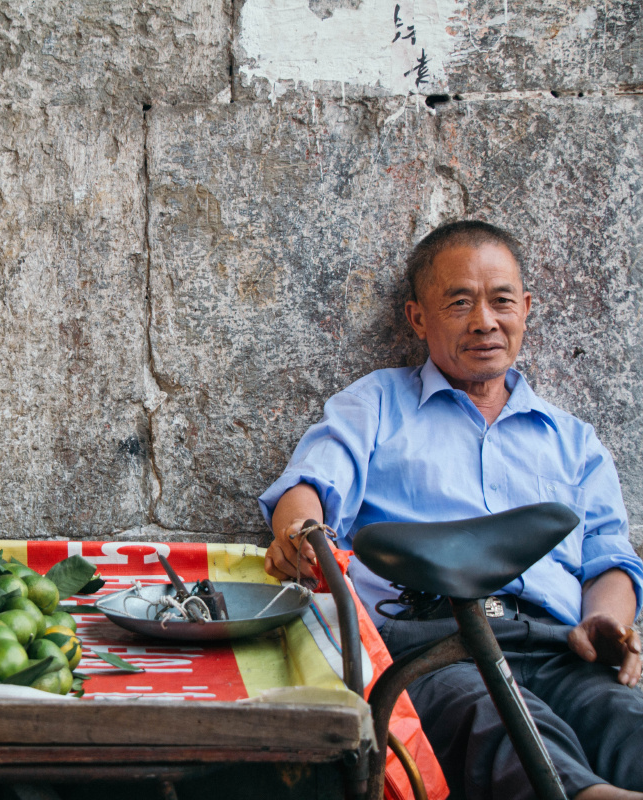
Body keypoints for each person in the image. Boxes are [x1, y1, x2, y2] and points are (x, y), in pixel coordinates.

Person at [259, 220, 643, 800]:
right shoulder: (377, 404)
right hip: (429, 646)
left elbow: (610, 559)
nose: (484, 321)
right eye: (460, 302)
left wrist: (606, 623)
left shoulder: (574, 442)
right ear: (418, 318)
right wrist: (299, 531)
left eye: (501, 301)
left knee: (625, 719)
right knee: (499, 723)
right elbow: (310, 483)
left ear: (526, 309)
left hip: (557, 644)